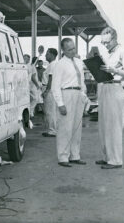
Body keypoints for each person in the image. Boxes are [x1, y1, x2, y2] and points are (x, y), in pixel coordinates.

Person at [96, 27, 124, 169]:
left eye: (107, 42)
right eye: (103, 43)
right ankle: (107, 157)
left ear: (115, 38)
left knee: (113, 126)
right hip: (104, 87)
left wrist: (115, 70)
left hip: (115, 88)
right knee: (104, 126)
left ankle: (116, 160)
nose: (105, 45)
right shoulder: (107, 53)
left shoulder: (123, 50)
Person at [52, 38, 87, 167]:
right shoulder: (60, 64)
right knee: (65, 128)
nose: (73, 51)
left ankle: (75, 155)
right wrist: (60, 103)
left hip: (78, 94)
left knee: (77, 127)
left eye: (74, 48)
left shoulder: (78, 62)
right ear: (63, 50)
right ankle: (63, 157)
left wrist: (83, 95)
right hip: (66, 94)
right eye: (69, 49)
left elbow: (81, 80)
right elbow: (55, 86)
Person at [42, 48, 58, 137]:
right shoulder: (55, 64)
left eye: (47, 54)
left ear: (52, 55)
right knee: (54, 111)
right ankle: (54, 129)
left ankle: (52, 131)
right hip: (53, 89)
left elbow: (51, 78)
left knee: (50, 111)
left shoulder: (52, 65)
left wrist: (46, 91)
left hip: (50, 89)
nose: (45, 55)